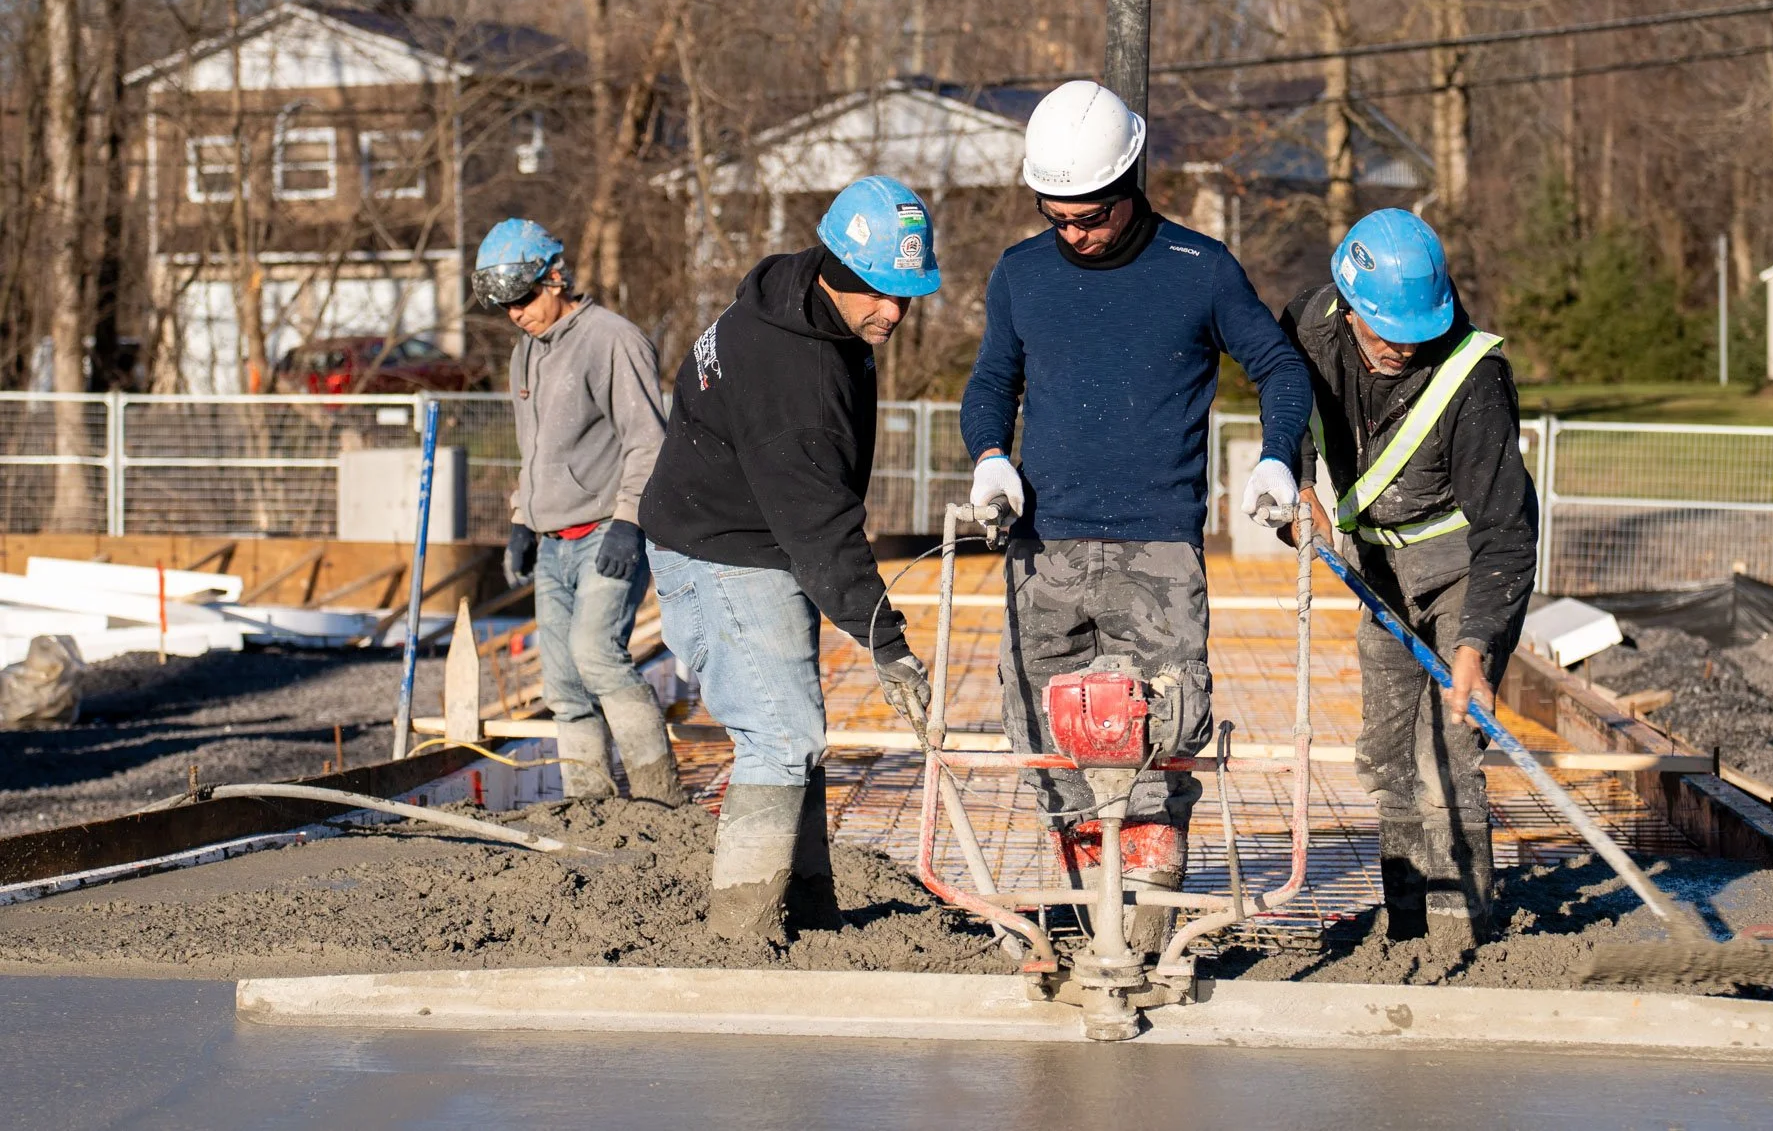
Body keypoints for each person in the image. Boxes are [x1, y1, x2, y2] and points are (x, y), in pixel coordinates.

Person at [958, 80, 1313, 952]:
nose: (1073, 233)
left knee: (1163, 722)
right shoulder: (1022, 272)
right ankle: (1082, 903)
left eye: (1089, 217)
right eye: (1056, 216)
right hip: (1044, 549)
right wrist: (990, 455)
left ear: (1130, 184)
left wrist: (1277, 453)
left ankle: (1150, 916)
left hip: (1158, 546)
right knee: (1043, 721)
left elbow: (1281, 367)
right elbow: (992, 381)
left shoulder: (1200, 269)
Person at [637, 176, 939, 942]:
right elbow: (823, 526)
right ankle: (739, 932)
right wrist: (888, 644)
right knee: (779, 732)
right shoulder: (790, 371)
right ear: (835, 265)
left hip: (752, 532)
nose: (895, 312)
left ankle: (807, 910)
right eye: (879, 293)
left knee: (793, 725)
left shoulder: (808, 306)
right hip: (723, 548)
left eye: (907, 295)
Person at [1280, 208, 1539, 947]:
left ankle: (1464, 934)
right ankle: (1408, 926)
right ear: (1348, 303)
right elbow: (1284, 403)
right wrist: (1300, 487)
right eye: (1383, 327)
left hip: (1465, 563)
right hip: (1379, 565)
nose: (1400, 345)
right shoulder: (1307, 323)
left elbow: (1505, 531)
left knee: (1448, 751)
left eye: (1414, 330)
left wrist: (1476, 648)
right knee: (1386, 753)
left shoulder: (1472, 377)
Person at [480, 219, 686, 807]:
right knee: (563, 685)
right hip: (553, 543)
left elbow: (649, 440)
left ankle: (660, 800)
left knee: (597, 656)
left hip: (606, 533)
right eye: (505, 305)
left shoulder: (612, 339)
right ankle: (590, 809)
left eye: (522, 299)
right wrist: (521, 519)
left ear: (554, 277)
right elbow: (533, 448)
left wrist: (630, 521)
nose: (516, 314)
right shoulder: (526, 353)